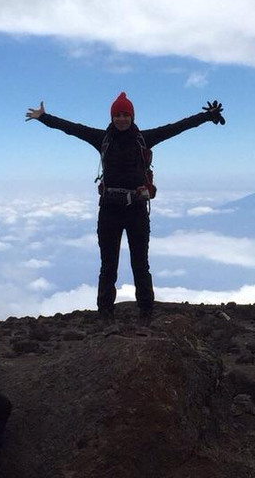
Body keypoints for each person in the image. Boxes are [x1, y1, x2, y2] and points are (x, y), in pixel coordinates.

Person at [25, 92, 225, 323]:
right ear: (112, 117)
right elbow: (72, 128)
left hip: (136, 210)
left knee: (140, 263)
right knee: (108, 265)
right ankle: (105, 313)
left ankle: (146, 311)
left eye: (125, 115)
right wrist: (44, 117)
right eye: (117, 115)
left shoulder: (143, 138)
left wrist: (206, 116)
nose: (121, 119)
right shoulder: (102, 138)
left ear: (132, 116)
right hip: (109, 210)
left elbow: (176, 128)